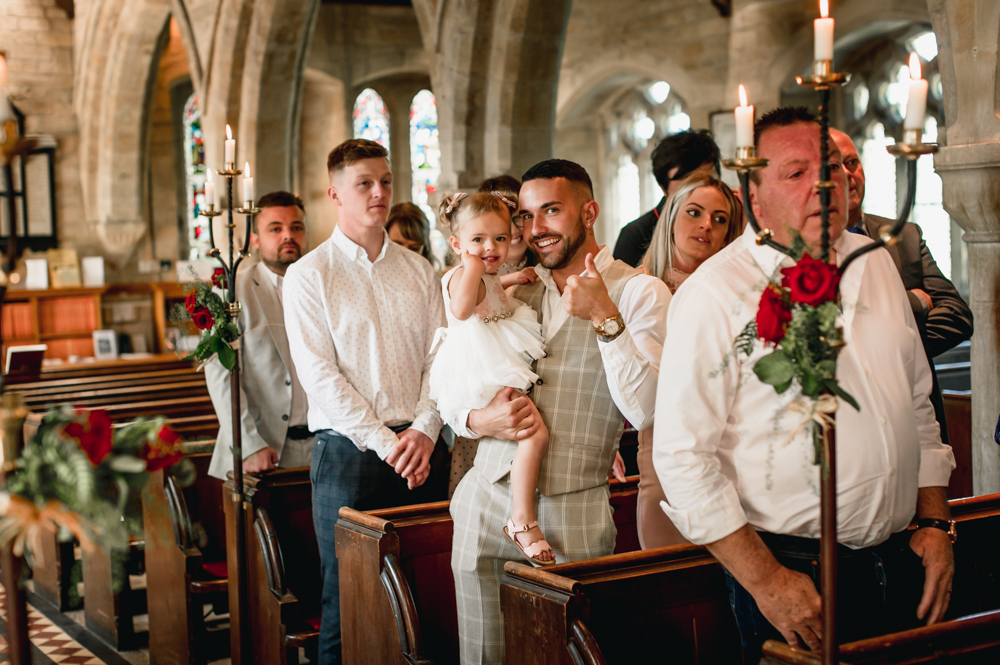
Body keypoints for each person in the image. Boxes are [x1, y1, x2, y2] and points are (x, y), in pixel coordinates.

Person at [652, 108, 956, 664]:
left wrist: (936, 522)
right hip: (793, 570)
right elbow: (682, 457)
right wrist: (767, 582)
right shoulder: (716, 292)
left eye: (833, 167)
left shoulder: (876, 263)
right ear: (754, 194)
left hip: (900, 557)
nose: (825, 184)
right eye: (796, 173)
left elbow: (917, 405)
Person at [448, 159, 671, 664]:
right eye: (525, 216)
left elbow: (647, 409)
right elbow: (454, 370)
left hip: (573, 511)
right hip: (484, 498)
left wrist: (605, 317)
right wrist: (475, 420)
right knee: (480, 657)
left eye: (551, 211)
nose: (535, 229)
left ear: (589, 212)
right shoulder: (508, 284)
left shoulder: (639, 291)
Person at [283, 138, 449, 665]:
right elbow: (319, 376)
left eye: (385, 181)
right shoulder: (310, 275)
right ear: (335, 193)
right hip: (348, 456)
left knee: (426, 594)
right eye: (364, 184)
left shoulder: (419, 271)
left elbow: (440, 358)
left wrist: (424, 429)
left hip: (423, 450)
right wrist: (388, 443)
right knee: (348, 600)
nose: (379, 192)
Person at [430, 190, 552, 564]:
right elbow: (462, 309)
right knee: (535, 434)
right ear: (456, 244)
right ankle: (522, 520)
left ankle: (521, 514)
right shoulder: (462, 275)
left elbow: (492, 293)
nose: (490, 248)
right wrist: (471, 268)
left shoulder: (487, 273)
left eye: (500, 238)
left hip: (493, 360)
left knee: (530, 434)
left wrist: (512, 278)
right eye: (478, 239)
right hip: (480, 369)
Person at [831, 129, 973, 444]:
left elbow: (958, 316)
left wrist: (889, 348)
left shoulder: (903, 235)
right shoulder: (812, 248)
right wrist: (914, 304)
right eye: (834, 166)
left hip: (916, 412)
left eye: (852, 162)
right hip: (852, 422)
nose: (848, 174)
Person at [634, 174, 742, 549]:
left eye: (719, 219)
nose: (706, 225)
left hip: (734, 443)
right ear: (670, 218)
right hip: (665, 446)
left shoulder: (736, 293)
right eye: (694, 212)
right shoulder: (640, 287)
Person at [204, 191, 312, 480]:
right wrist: (249, 444)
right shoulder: (231, 291)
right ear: (254, 239)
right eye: (275, 229)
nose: (288, 235)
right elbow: (221, 375)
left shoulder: (323, 286)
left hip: (323, 445)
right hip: (262, 449)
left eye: (296, 227)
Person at [613, 129, 722, 267]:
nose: (699, 189)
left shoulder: (731, 221)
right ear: (664, 187)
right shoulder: (635, 235)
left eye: (706, 179)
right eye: (688, 180)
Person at [478, 175, 535, 277]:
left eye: (519, 217)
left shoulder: (551, 264)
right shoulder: (475, 277)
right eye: (501, 221)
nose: (513, 230)